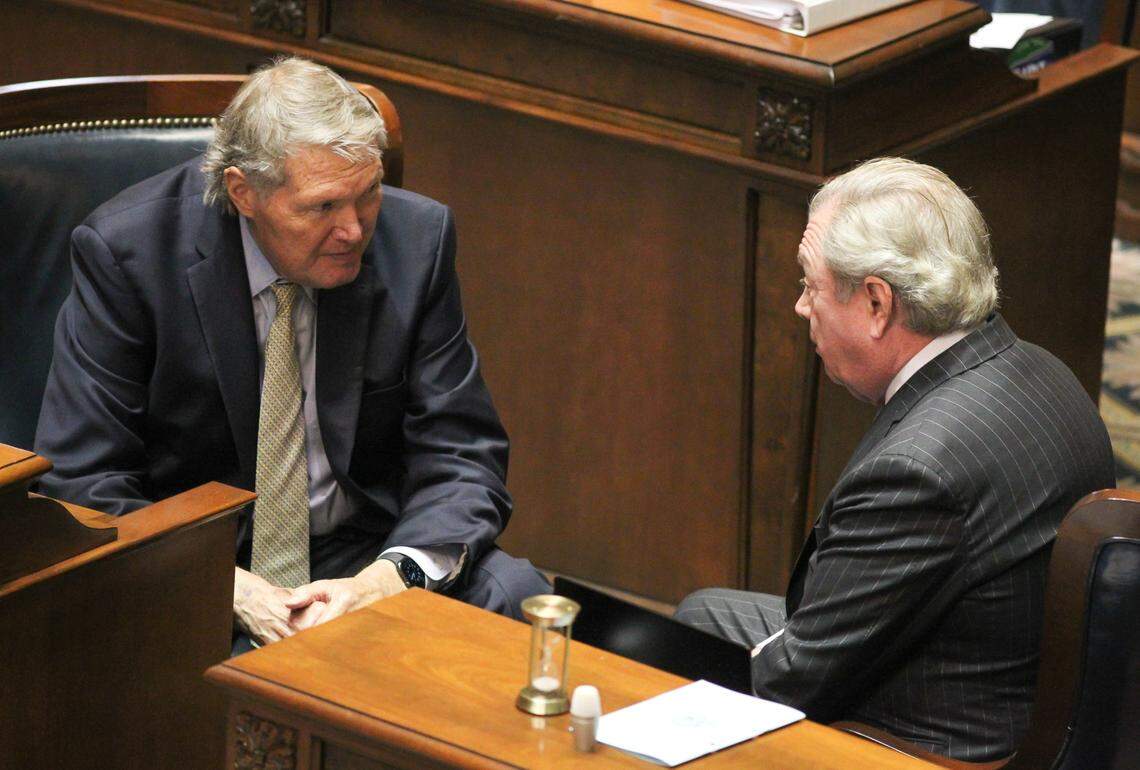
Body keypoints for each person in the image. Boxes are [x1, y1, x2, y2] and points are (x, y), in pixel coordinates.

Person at [34, 57, 549, 650]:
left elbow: (461, 452)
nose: (355, 230)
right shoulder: (128, 255)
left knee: (514, 596)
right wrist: (224, 586)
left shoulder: (416, 243)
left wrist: (390, 579)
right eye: (322, 207)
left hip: (364, 550)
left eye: (369, 195)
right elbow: (83, 474)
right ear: (243, 193)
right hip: (199, 558)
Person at [674, 158, 1114, 762]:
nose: (802, 307)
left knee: (673, 655)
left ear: (877, 303)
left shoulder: (919, 472)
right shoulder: (1042, 368)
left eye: (811, 284)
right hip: (1012, 680)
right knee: (702, 614)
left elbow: (792, 681)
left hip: (931, 739)